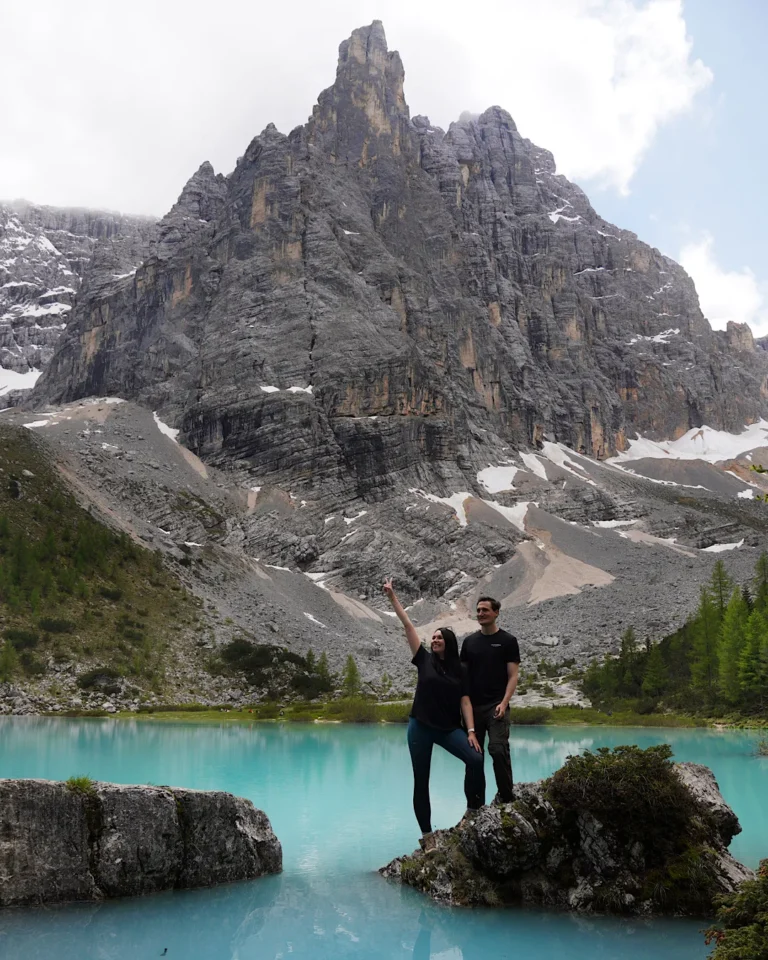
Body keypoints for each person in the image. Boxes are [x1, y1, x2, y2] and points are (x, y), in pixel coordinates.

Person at [383, 578, 484, 843]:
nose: (435, 639)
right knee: (421, 781)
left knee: (475, 759)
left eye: (440, 637)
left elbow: (465, 701)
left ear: (449, 642)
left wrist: (471, 731)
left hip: (449, 728)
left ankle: (472, 811)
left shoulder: (460, 669)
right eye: (434, 637)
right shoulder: (423, 659)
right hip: (421, 727)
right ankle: (427, 836)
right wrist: (392, 596)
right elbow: (408, 625)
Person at [460, 596, 520, 804]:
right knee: (474, 756)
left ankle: (506, 797)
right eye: (478, 610)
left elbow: (513, 676)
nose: (481, 614)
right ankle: (475, 804)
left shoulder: (508, 641)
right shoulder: (469, 642)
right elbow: (463, 678)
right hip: (473, 709)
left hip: (496, 705)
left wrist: (504, 703)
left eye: (485, 610)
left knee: (497, 749)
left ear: (496, 613)